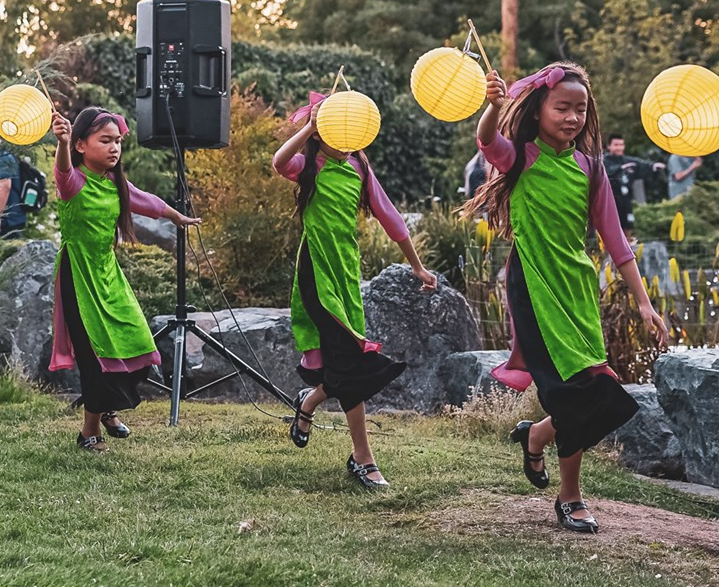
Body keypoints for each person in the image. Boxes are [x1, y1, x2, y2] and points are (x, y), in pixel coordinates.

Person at [465, 63, 667, 533]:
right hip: (532, 286)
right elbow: (487, 143)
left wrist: (642, 301)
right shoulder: (521, 157)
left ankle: (537, 436)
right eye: (563, 107)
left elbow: (617, 242)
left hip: (577, 289)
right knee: (568, 392)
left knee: (596, 391)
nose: (573, 117)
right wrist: (493, 107)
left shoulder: (590, 168)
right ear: (538, 111)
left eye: (581, 109)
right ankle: (570, 497)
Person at [273, 93, 437, 489]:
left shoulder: (359, 167)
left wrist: (416, 264)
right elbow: (279, 163)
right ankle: (363, 458)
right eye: (335, 128)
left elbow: (390, 216)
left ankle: (310, 402)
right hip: (316, 269)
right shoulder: (309, 163)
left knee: (345, 361)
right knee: (350, 356)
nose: (344, 138)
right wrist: (310, 126)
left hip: (346, 271)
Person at [50, 108, 199, 452]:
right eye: (105, 140)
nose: (115, 148)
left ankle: (107, 408)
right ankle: (89, 432)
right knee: (94, 353)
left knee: (136, 341)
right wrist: (61, 141)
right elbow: (61, 170)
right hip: (79, 276)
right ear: (82, 145)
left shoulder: (115, 184)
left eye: (118, 141)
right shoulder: (73, 182)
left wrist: (177, 217)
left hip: (108, 274)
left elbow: (147, 201)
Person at [602, 134, 664, 240]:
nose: (619, 148)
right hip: (608, 202)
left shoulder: (628, 160)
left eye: (621, 145)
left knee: (627, 230)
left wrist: (653, 166)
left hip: (625, 203)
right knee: (609, 233)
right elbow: (605, 172)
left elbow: (642, 165)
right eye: (616, 145)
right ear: (609, 146)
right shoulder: (603, 161)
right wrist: (620, 168)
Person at [0, 145, 27, 239]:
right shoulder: (1, 155)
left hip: (8, 220)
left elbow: (5, 186)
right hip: (9, 218)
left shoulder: (3, 157)